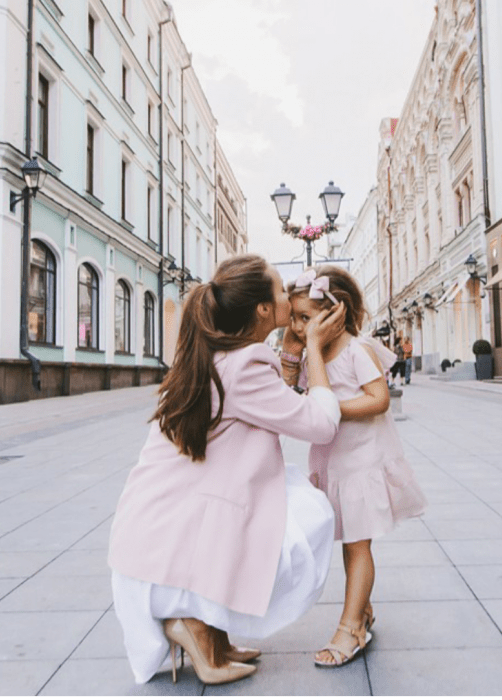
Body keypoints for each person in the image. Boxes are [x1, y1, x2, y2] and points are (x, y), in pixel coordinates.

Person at [108, 254, 347, 686]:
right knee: (309, 516)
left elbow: (274, 405)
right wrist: (313, 349)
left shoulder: (220, 356)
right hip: (167, 539)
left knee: (262, 506)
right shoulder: (245, 366)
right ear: (261, 310)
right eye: (279, 291)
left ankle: (211, 627)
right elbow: (320, 424)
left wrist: (290, 354)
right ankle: (196, 625)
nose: (289, 299)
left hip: (151, 526)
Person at [285, 266, 427, 668]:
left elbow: (378, 398)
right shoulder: (317, 351)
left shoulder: (354, 349)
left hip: (361, 462)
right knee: (350, 541)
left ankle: (350, 628)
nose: (297, 326)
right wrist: (297, 349)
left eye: (305, 318)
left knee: (358, 543)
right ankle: (362, 609)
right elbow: (291, 392)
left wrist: (329, 409)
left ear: (336, 314)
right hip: (333, 462)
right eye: (294, 317)